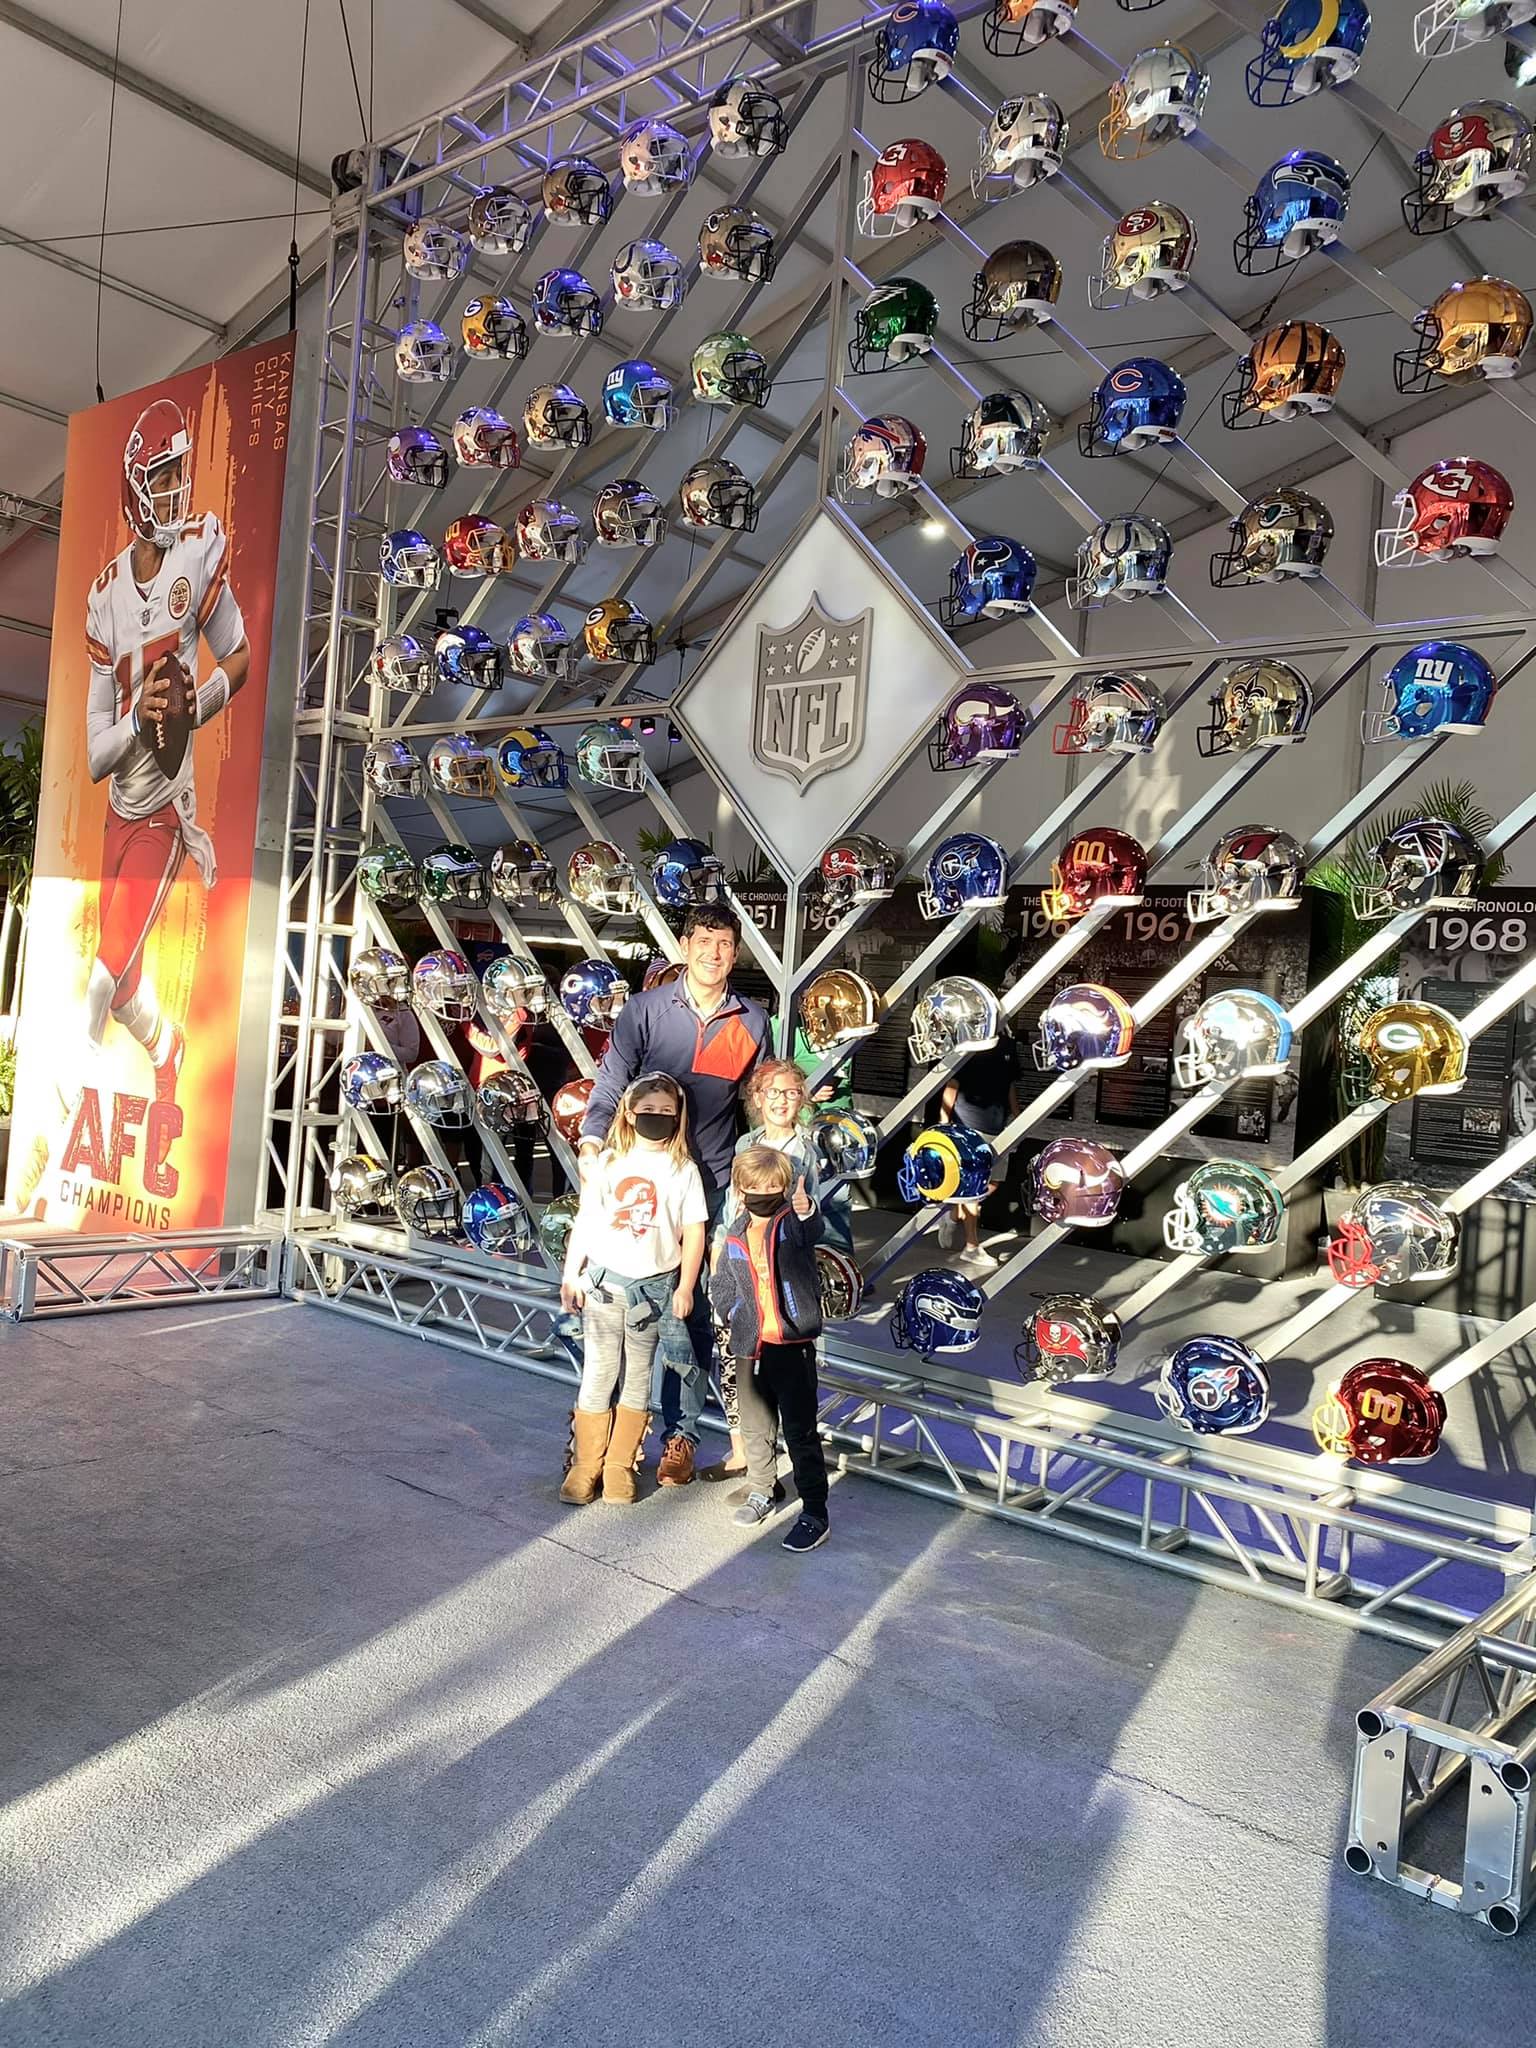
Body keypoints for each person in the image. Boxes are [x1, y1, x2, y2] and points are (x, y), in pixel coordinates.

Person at [15, 396, 251, 1213]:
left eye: (183, 472)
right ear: (133, 484)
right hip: (121, 802)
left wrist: (190, 711)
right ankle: (168, 1044)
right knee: (122, 993)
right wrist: (140, 718)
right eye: (164, 474)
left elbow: (239, 659)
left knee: (96, 984)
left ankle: (52, 1169)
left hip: (164, 813)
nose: (179, 488)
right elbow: (92, 755)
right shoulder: (105, 595)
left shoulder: (199, 553)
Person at [579, 904, 771, 1485]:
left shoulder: (753, 1020)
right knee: (612, 1314)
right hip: (643, 1184)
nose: (715, 952)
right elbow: (612, 1082)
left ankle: (680, 1438)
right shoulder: (645, 1010)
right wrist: (592, 1141)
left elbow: (758, 1102)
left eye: (726, 943)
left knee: (691, 1319)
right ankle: (597, 1444)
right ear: (686, 946)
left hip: (710, 1186)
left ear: (736, 953)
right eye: (705, 941)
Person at [559, 1073, 707, 1506]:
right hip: (605, 1284)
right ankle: (586, 1463)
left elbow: (694, 1233)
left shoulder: (684, 1169)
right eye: (648, 1110)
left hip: (655, 1290)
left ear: (678, 1117)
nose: (657, 1117)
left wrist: (686, 1286)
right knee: (599, 1371)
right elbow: (587, 1219)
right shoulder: (608, 1162)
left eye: (666, 1111)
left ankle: (620, 1465)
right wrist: (571, 1273)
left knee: (639, 1376)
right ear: (628, 1112)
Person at [706, 1059, 829, 1480]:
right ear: (757, 1098)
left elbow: (809, 1217)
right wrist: (719, 1257)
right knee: (733, 1361)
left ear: (803, 1099)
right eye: (773, 1092)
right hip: (738, 1262)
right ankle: (744, 1452)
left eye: (792, 1092)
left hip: (777, 1274)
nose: (782, 1101)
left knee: (779, 1377)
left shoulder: (806, 1150)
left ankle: (777, 1465)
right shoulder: (747, 1142)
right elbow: (731, 1206)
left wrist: (804, 1212)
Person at [709, 1146, 831, 1553]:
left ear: (785, 1187)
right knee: (756, 1426)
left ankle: (814, 1512)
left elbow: (811, 1231)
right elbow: (723, 1281)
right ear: (740, 1189)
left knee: (800, 1431)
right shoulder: (736, 1231)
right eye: (755, 1186)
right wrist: (730, 1311)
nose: (764, 1193)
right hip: (750, 1345)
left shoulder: (791, 1223)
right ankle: (762, 1489)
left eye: (773, 1186)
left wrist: (806, 1210)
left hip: (792, 1345)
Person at [939, 1038, 1015, 1269]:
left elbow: (1010, 1084)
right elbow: (952, 1085)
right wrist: (944, 1124)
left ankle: (952, 1214)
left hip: (998, 1127)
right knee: (974, 1187)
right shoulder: (971, 1044)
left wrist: (1017, 1115)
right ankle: (971, 1246)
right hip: (969, 1127)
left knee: (993, 1182)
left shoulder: (1007, 1046)